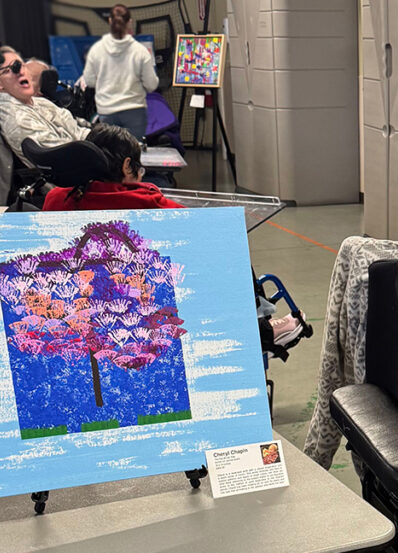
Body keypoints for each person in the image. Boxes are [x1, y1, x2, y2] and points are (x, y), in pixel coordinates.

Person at [42, 123, 307, 345]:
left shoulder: (55, 200)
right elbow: (209, 234)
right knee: (229, 252)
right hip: (149, 304)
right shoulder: (149, 203)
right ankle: (260, 330)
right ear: (126, 166)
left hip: (79, 306)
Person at [0, 46, 89, 165]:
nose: (20, 72)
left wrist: (99, 136)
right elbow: (66, 159)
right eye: (9, 70)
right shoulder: (18, 118)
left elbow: (78, 132)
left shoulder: (40, 103)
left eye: (22, 65)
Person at [42, 123, 180, 210]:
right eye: (139, 169)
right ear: (127, 166)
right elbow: (195, 226)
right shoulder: (147, 202)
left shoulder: (56, 197)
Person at [82, 3, 159, 140]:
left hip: (107, 111)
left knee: (111, 155)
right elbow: (151, 85)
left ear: (110, 21)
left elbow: (89, 81)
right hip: (134, 111)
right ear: (130, 22)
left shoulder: (96, 50)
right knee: (134, 154)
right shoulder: (140, 51)